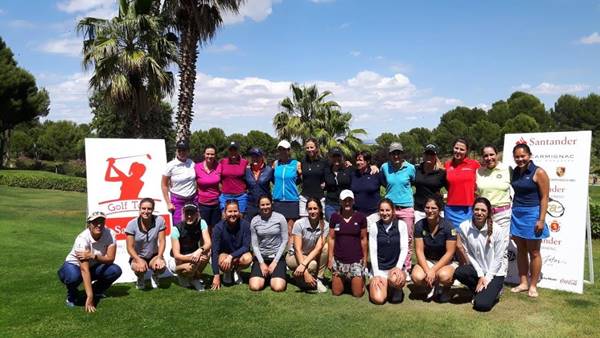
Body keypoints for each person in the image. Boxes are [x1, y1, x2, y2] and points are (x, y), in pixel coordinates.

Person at [57, 211, 122, 312]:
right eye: (95, 222)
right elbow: (84, 269)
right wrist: (89, 297)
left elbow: (110, 259)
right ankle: (72, 295)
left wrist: (93, 256)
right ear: (89, 224)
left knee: (115, 270)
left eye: (101, 221)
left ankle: (96, 291)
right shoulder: (82, 239)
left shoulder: (110, 233)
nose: (99, 225)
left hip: (94, 265)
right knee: (73, 277)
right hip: (74, 266)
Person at [509, 143, 550, 298]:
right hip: (516, 213)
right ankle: (523, 282)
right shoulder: (515, 172)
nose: (520, 159)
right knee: (521, 250)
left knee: (534, 252)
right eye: (517, 157)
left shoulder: (539, 172)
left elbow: (545, 197)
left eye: (523, 156)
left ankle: (533, 285)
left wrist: (541, 219)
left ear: (529, 155)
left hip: (533, 214)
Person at [454, 197, 509, 312]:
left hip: (495, 272)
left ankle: (495, 291)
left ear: (488, 212)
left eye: (483, 210)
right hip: (479, 270)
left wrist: (487, 277)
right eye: (476, 209)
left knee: (481, 305)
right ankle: (480, 290)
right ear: (472, 210)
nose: (479, 213)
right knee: (459, 272)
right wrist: (480, 275)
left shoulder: (497, 230)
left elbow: (499, 258)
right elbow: (468, 253)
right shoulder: (464, 227)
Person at [411, 197, 457, 303]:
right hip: (428, 260)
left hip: (446, 262)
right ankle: (432, 285)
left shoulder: (449, 227)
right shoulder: (419, 225)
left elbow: (450, 252)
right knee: (416, 277)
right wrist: (428, 270)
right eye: (427, 207)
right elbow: (419, 251)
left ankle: (446, 289)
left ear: (440, 210)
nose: (430, 210)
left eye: (433, 208)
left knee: (444, 276)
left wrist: (432, 270)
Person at [380, 142, 416, 270]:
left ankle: (406, 267)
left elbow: (412, 181)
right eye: (393, 153)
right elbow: (384, 182)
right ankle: (393, 263)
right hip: (391, 208)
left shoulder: (410, 168)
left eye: (398, 153)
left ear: (402, 154)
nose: (396, 156)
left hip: (406, 207)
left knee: (407, 238)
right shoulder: (384, 167)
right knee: (391, 237)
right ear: (389, 155)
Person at [368, 198, 409, 305]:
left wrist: (398, 268)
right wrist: (376, 274)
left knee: (395, 280)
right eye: (382, 210)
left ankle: (396, 288)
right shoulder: (374, 227)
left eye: (388, 210)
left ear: (393, 211)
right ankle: (387, 286)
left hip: (395, 269)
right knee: (379, 299)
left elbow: (404, 248)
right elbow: (372, 252)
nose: (385, 213)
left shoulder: (401, 225)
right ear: (379, 211)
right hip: (380, 270)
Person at [328, 190, 368, 297]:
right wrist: (330, 259)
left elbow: (363, 239)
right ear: (340, 202)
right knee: (336, 292)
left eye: (349, 200)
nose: (347, 203)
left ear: (353, 201)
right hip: (339, 260)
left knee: (357, 294)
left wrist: (364, 259)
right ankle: (345, 279)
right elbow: (331, 238)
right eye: (344, 201)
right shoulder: (334, 217)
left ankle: (359, 278)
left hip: (355, 260)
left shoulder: (361, 217)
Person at [285, 197, 329, 293]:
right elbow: (297, 249)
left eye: (315, 208)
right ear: (306, 210)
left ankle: (319, 279)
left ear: (320, 209)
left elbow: (318, 248)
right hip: (294, 256)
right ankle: (302, 277)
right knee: (312, 265)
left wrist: (303, 266)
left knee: (326, 247)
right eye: (310, 209)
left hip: (310, 255)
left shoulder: (325, 225)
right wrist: (304, 270)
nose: (312, 211)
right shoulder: (299, 223)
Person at [125, 198, 167, 290]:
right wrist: (138, 259)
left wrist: (160, 257)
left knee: (161, 267)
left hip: (154, 255)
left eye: (149, 209)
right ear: (139, 209)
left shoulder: (160, 220)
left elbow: (162, 241)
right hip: (138, 256)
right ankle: (140, 277)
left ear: (153, 209)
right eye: (143, 208)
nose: (146, 211)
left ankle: (155, 275)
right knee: (139, 268)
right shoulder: (131, 224)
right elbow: (129, 247)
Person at [249, 195, 289, 292]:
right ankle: (266, 275)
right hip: (261, 257)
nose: (265, 207)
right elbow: (254, 245)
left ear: (271, 204)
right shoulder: (255, 220)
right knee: (255, 287)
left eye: (267, 204)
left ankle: (275, 273)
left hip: (277, 257)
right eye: (262, 205)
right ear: (259, 206)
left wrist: (275, 262)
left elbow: (285, 240)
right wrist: (262, 263)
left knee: (278, 287)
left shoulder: (280, 218)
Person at [168, 203, 211, 292]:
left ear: (197, 214)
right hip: (178, 259)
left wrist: (200, 251)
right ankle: (180, 273)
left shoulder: (202, 223)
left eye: (192, 213)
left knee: (207, 253)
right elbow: (177, 255)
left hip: (193, 253)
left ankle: (195, 278)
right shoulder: (176, 229)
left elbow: (208, 243)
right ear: (183, 214)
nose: (189, 216)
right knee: (189, 267)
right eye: (187, 213)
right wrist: (193, 259)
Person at [210, 200, 253, 290]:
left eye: (235, 211)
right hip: (224, 254)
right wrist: (216, 275)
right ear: (225, 213)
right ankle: (227, 272)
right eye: (230, 211)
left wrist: (231, 256)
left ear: (239, 212)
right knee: (222, 260)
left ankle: (237, 271)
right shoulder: (218, 228)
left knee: (248, 258)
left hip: (239, 255)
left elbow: (246, 247)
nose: (232, 214)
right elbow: (215, 251)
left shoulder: (245, 225)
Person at [444, 138, 480, 228]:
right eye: (456, 148)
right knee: (452, 238)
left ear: (466, 151)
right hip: (450, 208)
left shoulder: (474, 164)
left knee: (467, 238)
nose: (458, 151)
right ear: (453, 148)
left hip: (468, 208)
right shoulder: (447, 164)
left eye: (462, 149)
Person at [476, 145, 512, 229]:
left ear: (497, 154)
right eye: (485, 156)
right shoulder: (478, 171)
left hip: (503, 215)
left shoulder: (507, 169)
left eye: (491, 154)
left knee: (502, 241)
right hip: (484, 214)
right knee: (485, 241)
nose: (489, 158)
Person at [272, 140, 301, 242]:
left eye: (285, 149)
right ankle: (279, 253)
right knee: (278, 229)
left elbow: (301, 179)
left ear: (289, 151)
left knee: (290, 230)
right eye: (280, 149)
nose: (282, 152)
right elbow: (273, 180)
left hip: (292, 200)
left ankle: (289, 254)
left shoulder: (296, 164)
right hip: (278, 201)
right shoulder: (275, 164)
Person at [162, 140, 197, 225]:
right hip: (178, 201)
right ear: (176, 151)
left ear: (188, 151)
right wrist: (168, 203)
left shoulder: (192, 163)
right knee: (178, 225)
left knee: (194, 223)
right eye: (179, 150)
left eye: (184, 150)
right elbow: (164, 185)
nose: (182, 152)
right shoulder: (170, 165)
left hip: (192, 199)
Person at [413, 144, 446, 224]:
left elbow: (451, 188)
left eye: (432, 154)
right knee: (419, 233)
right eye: (427, 154)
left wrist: (445, 196)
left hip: (436, 209)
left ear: (435, 157)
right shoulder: (416, 169)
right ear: (423, 155)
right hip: (419, 210)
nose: (429, 156)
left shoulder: (441, 173)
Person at [194, 144, 221, 230]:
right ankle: (205, 244)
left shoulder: (219, 166)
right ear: (204, 154)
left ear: (215, 155)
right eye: (208, 154)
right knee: (204, 229)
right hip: (202, 204)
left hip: (216, 204)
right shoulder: (197, 167)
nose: (210, 156)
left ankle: (214, 243)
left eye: (212, 154)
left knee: (215, 228)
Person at [299, 138, 327, 217]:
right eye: (307, 148)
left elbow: (329, 176)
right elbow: (299, 177)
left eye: (311, 147)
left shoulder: (323, 162)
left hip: (319, 197)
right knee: (303, 223)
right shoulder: (303, 161)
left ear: (316, 148)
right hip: (304, 197)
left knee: (321, 223)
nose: (309, 149)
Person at [219, 141, 249, 214]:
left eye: (235, 150)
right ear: (228, 151)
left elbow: (248, 177)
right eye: (231, 150)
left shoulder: (244, 162)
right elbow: (218, 178)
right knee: (225, 217)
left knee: (240, 218)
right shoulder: (223, 162)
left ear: (238, 150)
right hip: (225, 196)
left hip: (240, 196)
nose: (233, 152)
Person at [324, 147, 353, 221]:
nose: (336, 158)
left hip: (346, 204)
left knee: (345, 227)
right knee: (333, 225)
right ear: (330, 158)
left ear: (342, 157)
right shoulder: (326, 170)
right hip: (331, 204)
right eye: (334, 156)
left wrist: (373, 166)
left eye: (338, 156)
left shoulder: (348, 169)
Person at [244, 147, 273, 221]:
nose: (254, 158)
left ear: (262, 157)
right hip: (250, 205)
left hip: (264, 205)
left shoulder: (269, 170)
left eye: (257, 156)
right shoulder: (246, 171)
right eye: (252, 156)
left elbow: (277, 184)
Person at [350, 151, 382, 218]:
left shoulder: (375, 173)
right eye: (357, 160)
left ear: (368, 161)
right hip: (357, 213)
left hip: (374, 214)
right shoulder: (353, 174)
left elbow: (388, 186)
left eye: (361, 160)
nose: (358, 162)